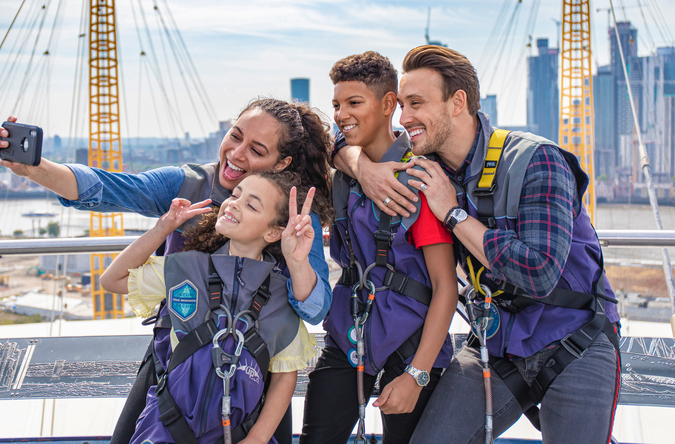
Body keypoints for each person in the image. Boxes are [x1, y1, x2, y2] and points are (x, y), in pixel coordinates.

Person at [0, 98, 333, 444]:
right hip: (178, 359)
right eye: (235, 136)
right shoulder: (189, 185)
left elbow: (313, 308)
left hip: (253, 371)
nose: (238, 153)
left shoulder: (292, 215)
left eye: (257, 150)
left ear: (282, 162)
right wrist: (37, 169)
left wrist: (296, 258)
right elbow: (113, 187)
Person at [336, 45, 620, 444]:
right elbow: (335, 139)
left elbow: (539, 274)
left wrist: (453, 215)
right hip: (498, 340)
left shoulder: (536, 160)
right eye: (401, 105)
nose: (404, 118)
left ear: (458, 102)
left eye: (416, 103)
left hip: (574, 337)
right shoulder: (428, 165)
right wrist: (362, 167)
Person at [300, 52, 457, 444]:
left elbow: (445, 287)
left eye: (355, 103)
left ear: (389, 104)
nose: (341, 114)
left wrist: (417, 375)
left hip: (413, 343)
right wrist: (360, 166)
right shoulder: (341, 177)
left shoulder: (419, 177)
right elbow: (320, 142)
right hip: (350, 333)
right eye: (337, 104)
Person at [101, 171, 319, 444]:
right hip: (165, 429)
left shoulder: (279, 295)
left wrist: (258, 438)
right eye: (235, 194)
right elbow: (112, 279)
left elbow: (284, 377)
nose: (234, 203)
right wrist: (163, 228)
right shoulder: (185, 268)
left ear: (273, 232)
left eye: (251, 205)